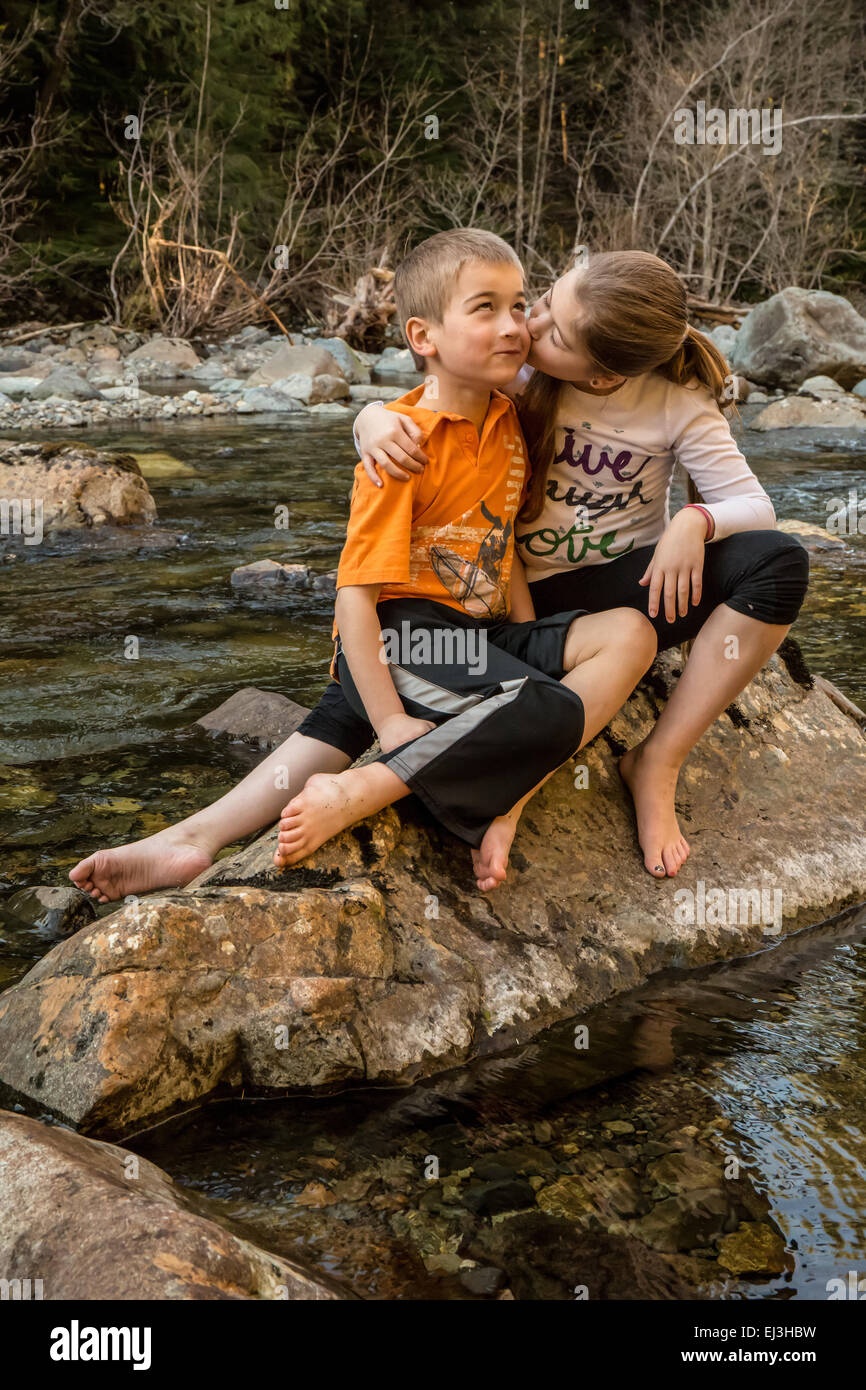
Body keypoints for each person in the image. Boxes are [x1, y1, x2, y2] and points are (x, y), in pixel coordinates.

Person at [69, 230, 656, 903]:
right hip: (400, 633)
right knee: (540, 709)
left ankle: (190, 840)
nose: (513, 326)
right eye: (485, 308)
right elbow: (355, 600)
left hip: (474, 636)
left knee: (629, 635)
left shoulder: (509, 420)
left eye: (519, 306)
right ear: (423, 336)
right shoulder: (400, 446)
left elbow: (506, 551)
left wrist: (531, 646)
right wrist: (391, 728)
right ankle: (362, 789)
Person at [353, 249, 810, 879]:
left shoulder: (676, 404)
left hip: (624, 588)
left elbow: (755, 505)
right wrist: (368, 418)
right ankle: (515, 783)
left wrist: (693, 522)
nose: (531, 326)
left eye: (554, 332)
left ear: (597, 377)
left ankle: (658, 762)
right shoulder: (516, 370)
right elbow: (427, 396)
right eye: (544, 302)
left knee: (780, 561)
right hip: (524, 606)